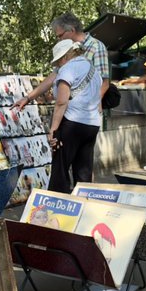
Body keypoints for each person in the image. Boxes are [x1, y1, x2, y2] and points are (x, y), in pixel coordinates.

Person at [17, 12, 110, 109]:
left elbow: (104, 83)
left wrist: (91, 108)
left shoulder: (95, 46)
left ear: (72, 30)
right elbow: (53, 76)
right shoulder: (66, 50)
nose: (59, 40)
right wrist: (28, 98)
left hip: (86, 111)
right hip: (68, 109)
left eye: (60, 36)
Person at [45, 39, 101, 193]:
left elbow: (62, 102)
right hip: (92, 124)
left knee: (60, 169)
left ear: (65, 57)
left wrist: (53, 129)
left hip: (72, 123)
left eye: (58, 61)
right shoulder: (93, 70)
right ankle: (84, 201)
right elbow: (98, 100)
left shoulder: (68, 68)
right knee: (84, 171)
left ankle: (57, 201)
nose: (58, 65)